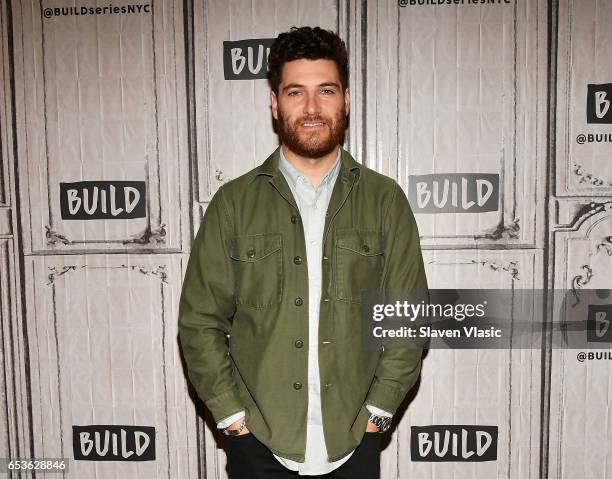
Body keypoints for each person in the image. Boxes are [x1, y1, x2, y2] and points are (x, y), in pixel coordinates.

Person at [178, 26, 428, 478]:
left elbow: (407, 319)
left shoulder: (385, 201)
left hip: (354, 446)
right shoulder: (233, 204)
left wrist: (378, 414)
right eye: (296, 92)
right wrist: (234, 422)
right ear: (275, 104)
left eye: (325, 90)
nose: (312, 108)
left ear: (345, 100)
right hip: (260, 450)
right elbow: (200, 324)